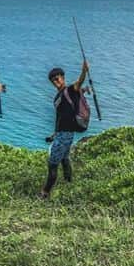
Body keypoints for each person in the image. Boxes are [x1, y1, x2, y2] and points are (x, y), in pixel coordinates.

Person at [39, 59, 88, 199]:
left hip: (65, 135)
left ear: (63, 77)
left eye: (57, 78)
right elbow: (61, 118)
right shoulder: (57, 96)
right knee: (64, 159)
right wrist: (54, 134)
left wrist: (84, 70)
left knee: (52, 164)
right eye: (53, 80)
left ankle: (45, 193)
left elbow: (79, 82)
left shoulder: (70, 90)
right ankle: (68, 183)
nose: (56, 81)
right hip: (62, 133)